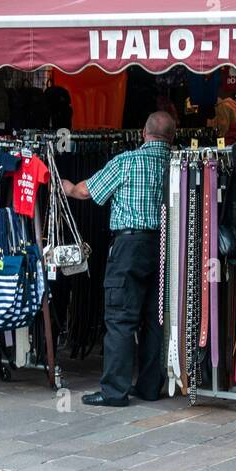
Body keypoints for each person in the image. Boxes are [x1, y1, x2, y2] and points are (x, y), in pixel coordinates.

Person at [60, 111, 174, 407]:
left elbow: (86, 191)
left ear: (142, 132)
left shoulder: (127, 161)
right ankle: (150, 386)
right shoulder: (177, 164)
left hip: (129, 245)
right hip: (166, 245)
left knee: (121, 317)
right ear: (172, 137)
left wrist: (68, 187)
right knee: (155, 318)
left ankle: (114, 391)